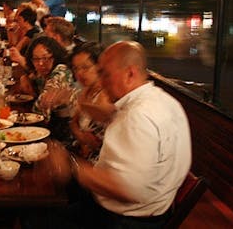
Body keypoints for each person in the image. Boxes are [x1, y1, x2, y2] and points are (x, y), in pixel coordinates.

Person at [67, 41, 192, 228]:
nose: (101, 82)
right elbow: (109, 116)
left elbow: (128, 188)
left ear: (130, 74)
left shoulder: (137, 117)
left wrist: (72, 167)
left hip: (123, 221)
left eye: (106, 74)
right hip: (155, 209)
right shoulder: (162, 100)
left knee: (36, 218)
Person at [18, 36, 76, 143]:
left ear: (55, 56)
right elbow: (32, 77)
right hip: (51, 131)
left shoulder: (61, 71)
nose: (41, 63)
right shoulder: (42, 74)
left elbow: (40, 109)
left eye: (46, 58)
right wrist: (24, 78)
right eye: (36, 59)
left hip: (67, 137)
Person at [69, 42, 114, 161]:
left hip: (100, 163)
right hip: (82, 152)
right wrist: (82, 138)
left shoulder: (107, 95)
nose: (79, 73)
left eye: (85, 67)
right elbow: (73, 123)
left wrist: (82, 138)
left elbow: (95, 143)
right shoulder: (87, 90)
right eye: (75, 68)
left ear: (100, 66)